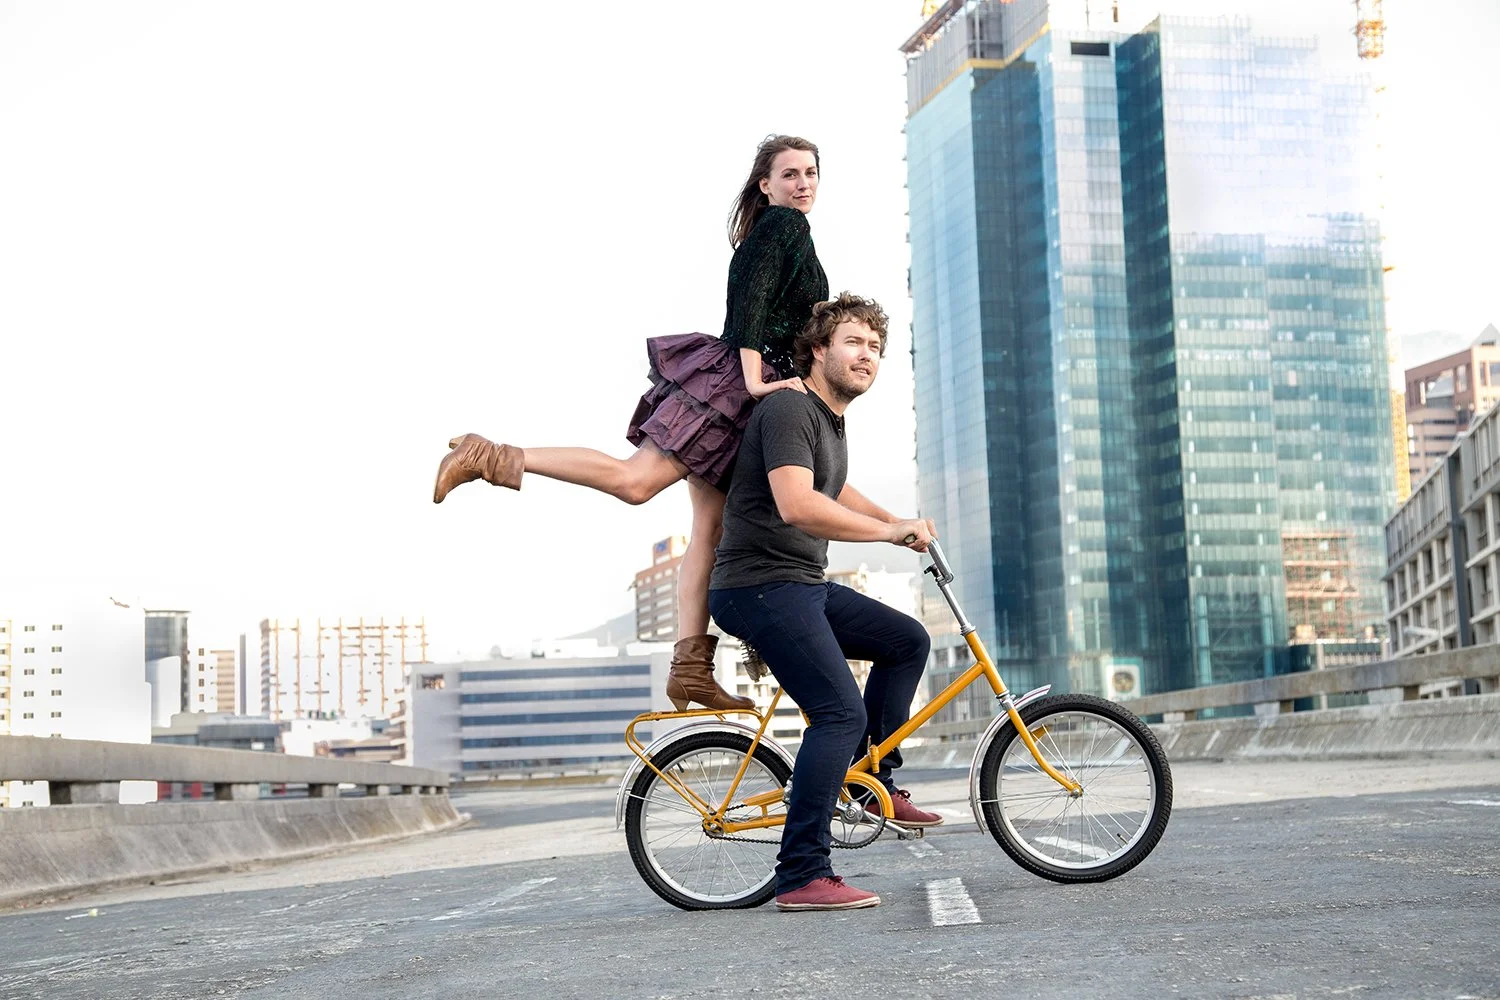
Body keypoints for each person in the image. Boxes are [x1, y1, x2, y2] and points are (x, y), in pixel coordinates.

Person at [431, 135, 828, 712]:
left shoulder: (784, 231)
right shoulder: (782, 227)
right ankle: (488, 454)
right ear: (764, 187)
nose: (803, 184)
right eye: (789, 174)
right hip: (739, 387)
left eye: (811, 173)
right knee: (635, 481)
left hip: (746, 390)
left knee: (709, 532)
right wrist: (756, 382)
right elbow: (751, 304)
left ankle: (691, 666)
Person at [706, 292, 943, 913]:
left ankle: (873, 786)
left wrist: (896, 518)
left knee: (906, 640)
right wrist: (890, 535)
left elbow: (832, 485)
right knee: (839, 713)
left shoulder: (829, 419)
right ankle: (801, 875)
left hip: (798, 583)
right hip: (758, 585)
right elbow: (798, 504)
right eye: (853, 343)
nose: (867, 356)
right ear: (817, 350)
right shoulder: (788, 406)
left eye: (876, 347)